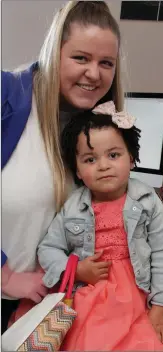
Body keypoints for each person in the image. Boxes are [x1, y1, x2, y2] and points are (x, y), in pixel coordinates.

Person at [33, 102, 163, 351]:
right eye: (90, 159)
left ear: (131, 158)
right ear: (77, 170)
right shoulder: (72, 208)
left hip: (138, 289)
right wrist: (76, 269)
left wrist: (161, 306)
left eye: (113, 155)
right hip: (90, 291)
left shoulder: (147, 201)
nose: (103, 165)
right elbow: (47, 249)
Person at [1, 0, 123, 333]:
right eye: (80, 58)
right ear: (55, 52)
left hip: (49, 301)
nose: (94, 74)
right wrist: (5, 276)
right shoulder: (7, 96)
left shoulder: (95, 125)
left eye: (106, 63)